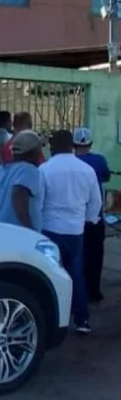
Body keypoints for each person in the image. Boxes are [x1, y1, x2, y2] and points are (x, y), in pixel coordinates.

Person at [40, 129, 102, 335]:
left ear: (52, 146)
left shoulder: (45, 169)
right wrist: (88, 219)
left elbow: (38, 201)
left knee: (50, 273)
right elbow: (96, 201)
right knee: (76, 274)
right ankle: (82, 319)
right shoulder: (86, 170)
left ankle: (53, 320)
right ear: (72, 145)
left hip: (50, 228)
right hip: (75, 229)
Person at [0, 130, 46, 231]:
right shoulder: (29, 170)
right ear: (34, 151)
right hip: (20, 235)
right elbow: (18, 195)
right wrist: (29, 230)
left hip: (0, 231)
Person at [73, 126, 111, 303]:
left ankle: (76, 292)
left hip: (74, 216)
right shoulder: (99, 160)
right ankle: (93, 292)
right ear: (91, 143)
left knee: (76, 256)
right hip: (95, 216)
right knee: (95, 255)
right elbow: (106, 177)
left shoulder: (69, 162)